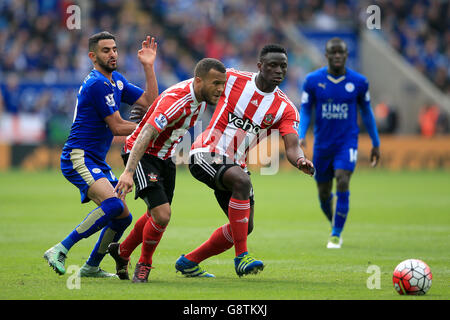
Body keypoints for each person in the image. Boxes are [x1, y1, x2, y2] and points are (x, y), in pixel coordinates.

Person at [174, 44, 315, 278]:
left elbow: (292, 146)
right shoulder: (232, 78)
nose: (279, 70)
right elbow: (197, 85)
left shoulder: (286, 108)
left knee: (244, 227)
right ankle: (242, 258)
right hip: (205, 151)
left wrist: (300, 161)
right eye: (272, 65)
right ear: (260, 66)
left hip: (234, 163)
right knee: (242, 182)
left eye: (283, 66)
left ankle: (189, 261)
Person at [43, 31, 159, 277]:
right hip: (79, 156)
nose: (113, 54)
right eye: (106, 50)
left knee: (123, 217)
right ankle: (60, 248)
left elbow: (150, 101)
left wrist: (149, 66)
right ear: (93, 56)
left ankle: (91, 267)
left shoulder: (115, 80)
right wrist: (148, 129)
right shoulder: (97, 83)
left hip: (96, 159)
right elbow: (117, 126)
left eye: (115, 49)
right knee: (114, 204)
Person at [108, 58, 227, 283]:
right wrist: (128, 172)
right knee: (162, 215)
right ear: (199, 80)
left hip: (165, 156)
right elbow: (145, 135)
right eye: (216, 83)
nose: (220, 89)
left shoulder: (202, 97)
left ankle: (122, 251)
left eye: (223, 83)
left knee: (155, 214)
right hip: (142, 153)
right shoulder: (177, 100)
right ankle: (144, 264)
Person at [298, 37, 380, 249]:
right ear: (326, 55)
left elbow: (367, 112)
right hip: (322, 145)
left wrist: (375, 141)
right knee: (323, 192)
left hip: (347, 142)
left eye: (340, 52)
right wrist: (301, 134)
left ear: (346, 55)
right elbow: (306, 109)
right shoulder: (312, 81)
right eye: (332, 52)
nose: (336, 55)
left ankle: (336, 233)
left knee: (342, 180)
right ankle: (335, 222)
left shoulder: (359, 82)